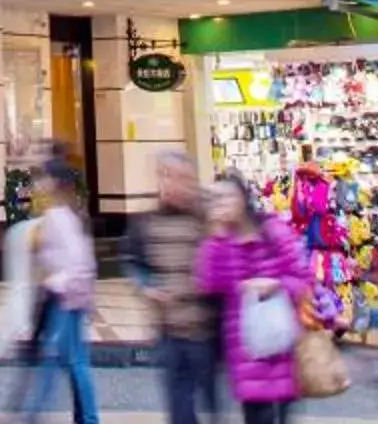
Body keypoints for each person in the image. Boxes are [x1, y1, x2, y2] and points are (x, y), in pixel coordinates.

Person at [196, 174, 305, 424]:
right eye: (214, 199)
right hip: (247, 351)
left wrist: (276, 285)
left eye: (226, 196)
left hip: (281, 348)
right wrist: (216, 238)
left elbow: (303, 279)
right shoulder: (222, 242)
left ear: (243, 199)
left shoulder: (274, 231)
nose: (220, 204)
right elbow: (210, 283)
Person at [124, 150, 217, 424]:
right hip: (169, 331)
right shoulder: (146, 223)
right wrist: (146, 287)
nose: (172, 184)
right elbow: (134, 261)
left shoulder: (207, 220)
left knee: (214, 405)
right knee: (180, 408)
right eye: (165, 176)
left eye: (180, 178)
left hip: (205, 330)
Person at [15, 158, 101, 424]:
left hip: (65, 297)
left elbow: (75, 261)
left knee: (59, 361)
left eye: (45, 178)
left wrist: (54, 282)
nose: (41, 183)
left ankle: (83, 418)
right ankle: (85, 417)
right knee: (72, 361)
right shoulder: (68, 214)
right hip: (72, 296)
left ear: (55, 183)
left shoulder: (57, 217)